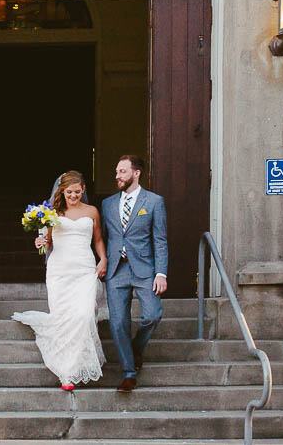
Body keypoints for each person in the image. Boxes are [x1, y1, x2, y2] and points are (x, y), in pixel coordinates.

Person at [11, 170, 107, 391]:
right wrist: (40, 241)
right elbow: (48, 241)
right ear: (62, 191)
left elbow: (98, 239)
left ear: (83, 190)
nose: (73, 196)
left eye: (77, 192)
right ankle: (67, 373)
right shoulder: (52, 212)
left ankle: (74, 366)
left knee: (83, 315)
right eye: (69, 192)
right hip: (59, 271)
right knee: (63, 318)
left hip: (84, 269)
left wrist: (103, 259)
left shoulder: (92, 211)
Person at [99, 153, 167, 393]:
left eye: (123, 171)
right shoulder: (107, 204)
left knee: (153, 314)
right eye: (117, 171)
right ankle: (129, 373)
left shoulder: (154, 202)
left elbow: (160, 239)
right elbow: (103, 239)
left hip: (144, 269)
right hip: (117, 270)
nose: (117, 176)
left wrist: (161, 273)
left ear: (136, 173)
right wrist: (102, 262)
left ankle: (135, 348)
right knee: (118, 323)